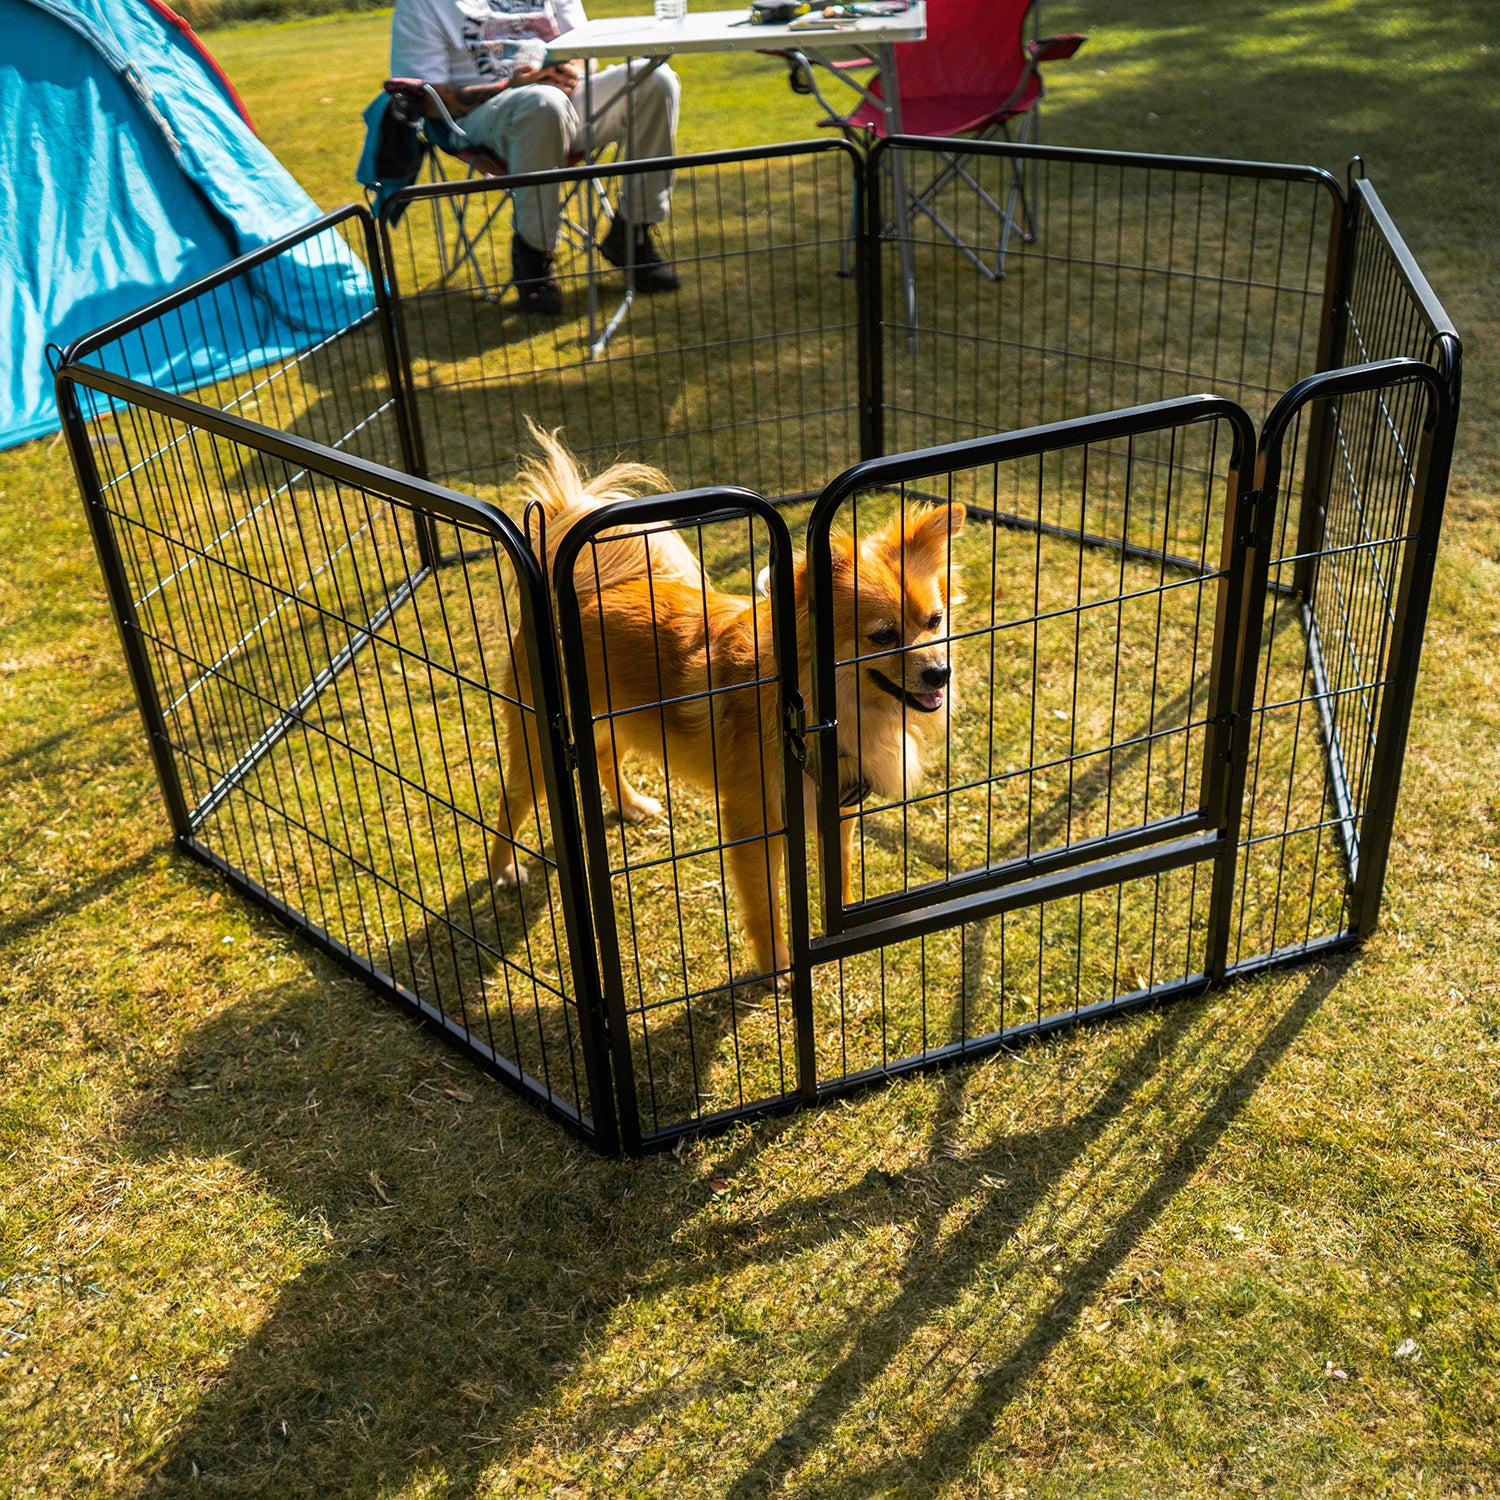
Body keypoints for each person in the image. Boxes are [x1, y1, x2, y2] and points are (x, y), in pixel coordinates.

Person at [390, 0, 681, 314]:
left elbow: (586, 53)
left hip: (567, 98)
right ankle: (534, 254)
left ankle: (632, 234)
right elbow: (424, 99)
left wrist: (570, 70)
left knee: (656, 80)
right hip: (483, 116)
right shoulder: (422, 5)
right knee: (542, 102)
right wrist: (510, 85)